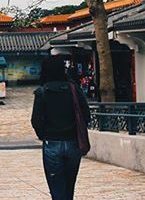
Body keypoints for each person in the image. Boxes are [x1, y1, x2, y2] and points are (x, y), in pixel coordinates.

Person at [31, 57, 91, 200]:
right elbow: (86, 114)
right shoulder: (73, 89)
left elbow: (35, 120)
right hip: (73, 142)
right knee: (70, 185)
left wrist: (44, 135)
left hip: (52, 142)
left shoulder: (42, 92)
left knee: (56, 187)